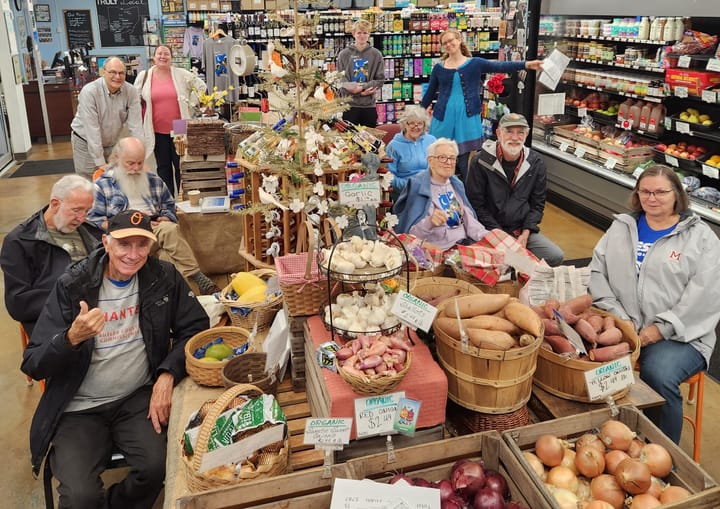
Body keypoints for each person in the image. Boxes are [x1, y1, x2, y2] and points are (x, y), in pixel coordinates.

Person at [21, 209, 209, 507]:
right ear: (106, 243)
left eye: (142, 244)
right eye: (124, 244)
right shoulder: (73, 285)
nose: (133, 255)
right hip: (78, 407)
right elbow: (33, 362)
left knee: (158, 468)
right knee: (80, 496)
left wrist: (167, 373)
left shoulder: (163, 278)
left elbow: (196, 327)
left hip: (134, 398)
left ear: (152, 245)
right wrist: (71, 338)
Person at [589, 165, 720, 444]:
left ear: (677, 195)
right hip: (625, 324)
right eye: (645, 191)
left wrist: (660, 329)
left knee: (657, 375)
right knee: (586, 360)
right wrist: (620, 319)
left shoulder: (701, 238)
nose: (652, 197)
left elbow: (705, 295)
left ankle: (663, 456)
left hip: (682, 335)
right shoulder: (622, 227)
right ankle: (610, 439)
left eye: (661, 191)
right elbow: (597, 273)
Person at [87, 137, 221, 295]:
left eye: (140, 163)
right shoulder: (102, 185)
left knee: (167, 230)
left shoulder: (153, 180)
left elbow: (169, 206)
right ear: (117, 158)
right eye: (130, 163)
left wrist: (166, 216)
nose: (136, 168)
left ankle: (185, 302)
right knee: (167, 252)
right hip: (125, 238)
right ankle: (195, 281)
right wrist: (127, 220)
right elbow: (92, 221)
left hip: (153, 232)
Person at [420, 29, 543, 179]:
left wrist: (527, 64)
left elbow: (501, 66)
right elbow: (429, 94)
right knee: (440, 155)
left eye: (451, 40)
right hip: (443, 118)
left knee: (467, 162)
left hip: (467, 118)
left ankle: (468, 196)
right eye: (444, 43)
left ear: (459, 40)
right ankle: (436, 191)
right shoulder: (439, 68)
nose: (448, 44)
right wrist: (415, 116)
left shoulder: (475, 63)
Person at [0, 175, 103, 337]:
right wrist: (71, 298)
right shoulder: (20, 242)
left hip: (101, 307)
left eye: (87, 211)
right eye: (76, 210)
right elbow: (18, 304)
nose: (82, 218)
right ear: (55, 204)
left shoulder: (91, 232)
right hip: (56, 319)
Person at [465, 113, 564, 266]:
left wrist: (526, 233)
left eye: (520, 132)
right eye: (509, 131)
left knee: (555, 255)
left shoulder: (536, 162)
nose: (515, 137)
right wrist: (501, 237)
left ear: (527, 134)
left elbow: (537, 204)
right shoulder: (481, 162)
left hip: (521, 231)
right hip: (490, 230)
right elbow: (476, 205)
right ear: (498, 133)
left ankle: (524, 282)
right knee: (488, 263)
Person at [135, 45, 207, 196]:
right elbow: (135, 99)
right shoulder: (145, 76)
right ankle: (167, 200)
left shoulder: (180, 74)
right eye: (159, 53)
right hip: (156, 128)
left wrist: (190, 103)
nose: (163, 56)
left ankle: (183, 198)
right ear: (153, 57)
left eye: (166, 54)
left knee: (181, 164)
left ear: (171, 58)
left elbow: (201, 86)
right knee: (163, 166)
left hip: (179, 126)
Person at [394, 138, 488, 251]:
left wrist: (489, 237)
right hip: (436, 252)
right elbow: (409, 236)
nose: (448, 162)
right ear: (430, 161)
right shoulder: (418, 187)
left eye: (452, 158)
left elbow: (470, 223)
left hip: (462, 248)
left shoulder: (456, 185)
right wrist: (429, 222)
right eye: (442, 157)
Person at [70, 57, 145, 180]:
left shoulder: (131, 92)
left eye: (121, 73)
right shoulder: (89, 92)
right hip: (85, 141)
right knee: (90, 182)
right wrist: (100, 163)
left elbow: (136, 126)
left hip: (112, 142)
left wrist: (140, 157)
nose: (117, 76)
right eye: (113, 72)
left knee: (115, 181)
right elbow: (92, 130)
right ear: (103, 72)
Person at [336, 19, 385, 128]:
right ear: (353, 34)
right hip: (349, 106)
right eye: (359, 33)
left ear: (369, 34)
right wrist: (359, 93)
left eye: (365, 33)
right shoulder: (344, 54)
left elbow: (380, 80)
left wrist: (362, 87)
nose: (362, 36)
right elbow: (340, 80)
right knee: (349, 140)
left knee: (370, 140)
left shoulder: (376, 54)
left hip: (369, 106)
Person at [385, 105, 436, 203]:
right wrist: (410, 186)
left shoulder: (431, 140)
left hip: (430, 189)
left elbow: (438, 166)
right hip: (406, 192)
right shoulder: (394, 146)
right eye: (411, 123)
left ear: (424, 125)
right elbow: (389, 176)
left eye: (419, 124)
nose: (416, 127)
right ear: (405, 124)